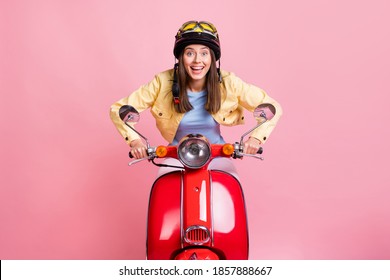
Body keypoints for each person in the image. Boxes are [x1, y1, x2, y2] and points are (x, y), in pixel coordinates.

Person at [110, 20, 282, 174]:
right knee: (162, 190)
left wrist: (255, 138)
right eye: (190, 53)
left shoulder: (229, 82)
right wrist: (135, 142)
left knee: (230, 190)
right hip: (175, 157)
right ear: (181, 57)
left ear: (213, 58)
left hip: (218, 155)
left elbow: (271, 106)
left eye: (204, 53)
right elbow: (119, 109)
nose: (197, 60)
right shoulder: (162, 82)